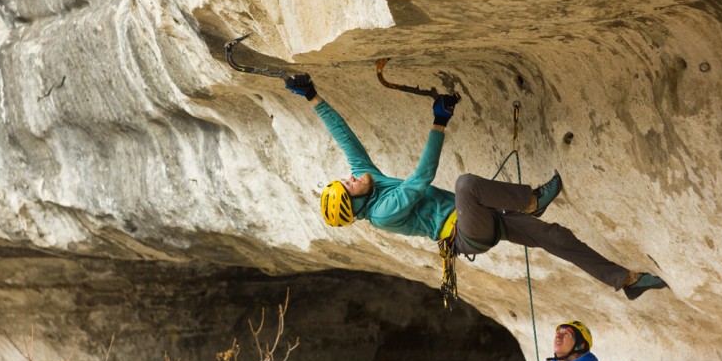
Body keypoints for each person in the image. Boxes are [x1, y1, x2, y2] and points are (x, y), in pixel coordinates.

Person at [283, 73, 667, 300]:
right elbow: (420, 181)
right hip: (466, 234)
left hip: (479, 220)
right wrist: (439, 123)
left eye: (347, 179)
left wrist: (313, 96)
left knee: (556, 237)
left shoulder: (370, 181)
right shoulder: (382, 212)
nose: (351, 178)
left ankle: (626, 281)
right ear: (358, 202)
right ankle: (531, 201)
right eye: (349, 186)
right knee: (466, 183)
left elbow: (345, 138)